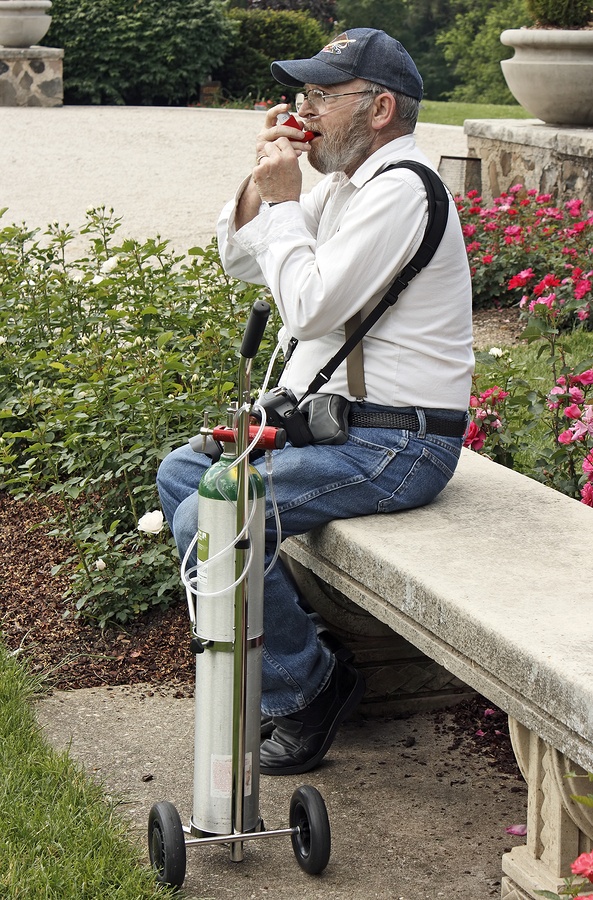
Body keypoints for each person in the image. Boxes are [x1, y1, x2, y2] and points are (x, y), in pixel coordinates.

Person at [157, 27, 474, 776]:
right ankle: (305, 659)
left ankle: (302, 688)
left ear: (380, 108)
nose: (305, 107)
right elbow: (240, 259)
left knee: (212, 513)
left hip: (397, 445)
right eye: (304, 93)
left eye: (323, 95)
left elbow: (305, 309)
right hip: (337, 428)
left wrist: (284, 203)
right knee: (182, 474)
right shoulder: (341, 184)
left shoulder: (400, 190)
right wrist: (261, 180)